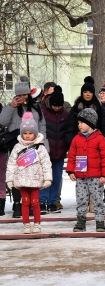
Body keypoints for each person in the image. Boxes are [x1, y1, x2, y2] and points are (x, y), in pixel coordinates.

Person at [0, 75, 49, 218]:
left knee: (34, 174)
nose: (22, 97)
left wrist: (43, 144)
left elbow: (42, 126)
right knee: (17, 175)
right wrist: (11, 106)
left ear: (28, 94)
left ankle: (32, 204)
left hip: (33, 145)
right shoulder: (11, 107)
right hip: (16, 144)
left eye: (24, 94)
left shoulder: (35, 108)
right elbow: (2, 121)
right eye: (19, 95)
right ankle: (17, 204)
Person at [6, 112, 52, 234]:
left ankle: (37, 224)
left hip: (36, 181)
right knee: (25, 203)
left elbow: (46, 163)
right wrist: (10, 179)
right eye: (25, 133)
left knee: (36, 203)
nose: (27, 136)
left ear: (35, 134)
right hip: (22, 181)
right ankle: (26, 224)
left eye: (30, 133)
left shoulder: (40, 147)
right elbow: (11, 164)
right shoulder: (17, 147)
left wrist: (48, 178)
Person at [66, 108, 105, 232]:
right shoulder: (76, 139)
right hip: (81, 176)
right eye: (78, 123)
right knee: (81, 199)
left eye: (81, 122)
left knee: (97, 199)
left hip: (96, 177)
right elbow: (72, 156)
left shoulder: (100, 139)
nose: (79, 125)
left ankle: (100, 221)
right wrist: (71, 171)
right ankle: (80, 221)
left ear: (90, 123)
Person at [40, 86, 69, 214]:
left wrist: (67, 147)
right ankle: (42, 201)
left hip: (60, 151)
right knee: (45, 177)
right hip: (46, 151)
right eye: (54, 106)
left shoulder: (65, 115)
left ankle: (52, 202)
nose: (57, 108)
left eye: (59, 106)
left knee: (56, 178)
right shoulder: (43, 113)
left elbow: (68, 132)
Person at [0, 103, 8, 216]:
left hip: (2, 149)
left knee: (1, 177)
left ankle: (1, 205)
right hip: (2, 148)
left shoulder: (3, 113)